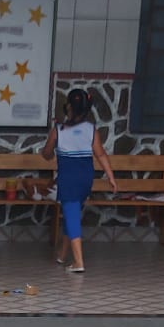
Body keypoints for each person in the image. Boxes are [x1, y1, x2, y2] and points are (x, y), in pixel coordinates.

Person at [41, 88, 117, 274]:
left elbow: (47, 154)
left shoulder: (58, 131)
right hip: (85, 180)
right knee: (72, 214)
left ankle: (78, 262)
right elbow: (101, 154)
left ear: (69, 107)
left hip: (68, 180)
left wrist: (49, 151)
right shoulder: (91, 130)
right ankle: (62, 254)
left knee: (72, 216)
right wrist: (111, 176)